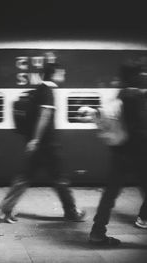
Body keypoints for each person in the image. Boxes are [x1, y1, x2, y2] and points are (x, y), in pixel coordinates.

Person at [0, 62, 86, 223]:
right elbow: (44, 116)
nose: (63, 75)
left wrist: (33, 140)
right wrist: (37, 140)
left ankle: (5, 210)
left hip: (39, 145)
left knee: (25, 178)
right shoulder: (47, 91)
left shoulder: (39, 90)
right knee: (59, 179)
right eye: (62, 72)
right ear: (55, 73)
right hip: (47, 145)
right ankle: (71, 212)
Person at [81, 63, 147, 246]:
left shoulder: (121, 95)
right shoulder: (137, 97)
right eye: (142, 73)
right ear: (136, 76)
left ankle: (97, 233)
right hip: (139, 155)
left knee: (109, 195)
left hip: (120, 154)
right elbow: (141, 130)